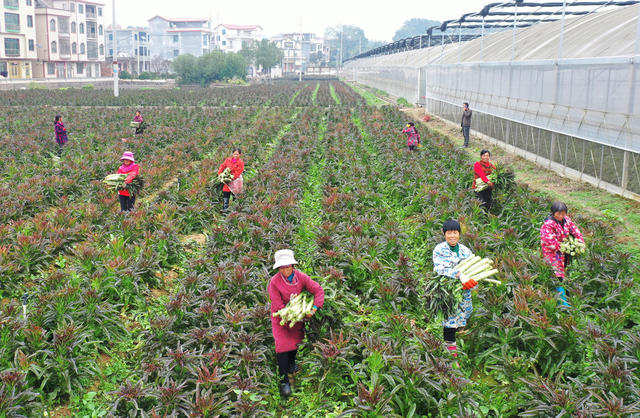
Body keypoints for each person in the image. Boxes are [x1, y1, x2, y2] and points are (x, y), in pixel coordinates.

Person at [268, 249, 324, 397]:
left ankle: (292, 364)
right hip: (281, 319)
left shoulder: (301, 277)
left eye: (288, 266)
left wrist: (313, 309)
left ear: (293, 265)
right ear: (278, 268)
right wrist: (288, 313)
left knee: (294, 343)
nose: (285, 270)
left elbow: (318, 290)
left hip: (297, 319)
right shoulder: (274, 282)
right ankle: (284, 380)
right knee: (282, 347)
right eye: (282, 267)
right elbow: (277, 304)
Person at [433, 219, 477, 363]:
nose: (452, 236)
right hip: (448, 293)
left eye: (455, 233)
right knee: (449, 322)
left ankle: (458, 340)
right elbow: (440, 268)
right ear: (444, 234)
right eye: (449, 233)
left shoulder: (465, 250)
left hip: (463, 292)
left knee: (463, 315)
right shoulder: (439, 249)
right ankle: (451, 357)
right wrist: (459, 275)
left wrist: (472, 281)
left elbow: (474, 267)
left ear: (459, 234)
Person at [540, 202, 584, 306]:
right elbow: (549, 241)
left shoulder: (567, 220)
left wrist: (580, 241)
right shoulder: (548, 224)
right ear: (553, 213)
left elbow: (575, 230)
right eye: (558, 213)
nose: (561, 216)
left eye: (563, 213)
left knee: (563, 273)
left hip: (564, 253)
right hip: (552, 254)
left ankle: (565, 295)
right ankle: (562, 301)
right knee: (557, 275)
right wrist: (565, 247)